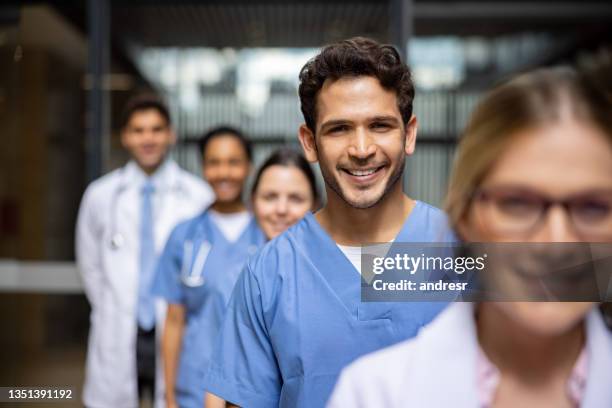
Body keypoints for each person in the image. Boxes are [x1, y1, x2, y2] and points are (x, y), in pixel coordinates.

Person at [328, 67, 612, 407]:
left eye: (593, 208)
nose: (556, 241)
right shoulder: (373, 394)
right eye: (517, 203)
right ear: (463, 214)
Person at [203, 37, 455, 408]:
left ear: (410, 134)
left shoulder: (462, 251)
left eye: (381, 125)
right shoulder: (269, 275)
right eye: (339, 129)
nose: (362, 149)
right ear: (309, 143)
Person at [75, 94, 213, 408]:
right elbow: (90, 267)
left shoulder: (197, 195)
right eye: (138, 130)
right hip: (120, 326)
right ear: (125, 136)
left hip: (177, 326)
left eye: (156, 129)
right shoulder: (101, 195)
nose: (147, 138)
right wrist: (115, 306)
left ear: (170, 134)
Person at [152, 127, 266, 408]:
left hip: (255, 389)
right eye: (214, 163)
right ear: (203, 168)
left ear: (248, 166)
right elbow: (174, 322)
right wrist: (169, 397)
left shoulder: (267, 233)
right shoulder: (184, 236)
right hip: (194, 385)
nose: (223, 172)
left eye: (233, 162)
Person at [204, 148, 319, 408]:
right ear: (253, 202)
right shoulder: (234, 279)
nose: (281, 209)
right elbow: (218, 378)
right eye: (269, 197)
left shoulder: (335, 272)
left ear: (315, 205)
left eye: (296, 198)